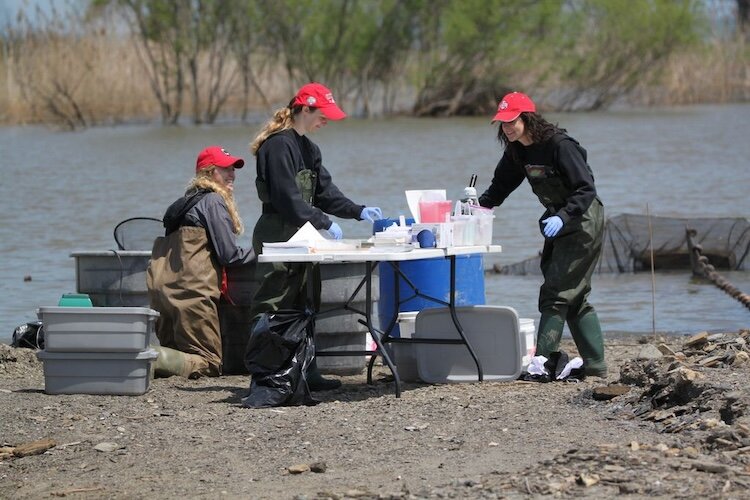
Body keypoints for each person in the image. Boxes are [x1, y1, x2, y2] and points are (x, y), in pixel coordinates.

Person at [247, 82, 383, 390]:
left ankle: (307, 371)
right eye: (323, 115)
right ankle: (265, 373)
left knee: (308, 300)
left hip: (304, 234)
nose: (326, 121)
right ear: (305, 109)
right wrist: (323, 222)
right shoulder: (277, 146)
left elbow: (325, 193)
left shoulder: (309, 148)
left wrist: (357, 210)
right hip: (277, 233)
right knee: (274, 302)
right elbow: (285, 198)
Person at [478, 92, 607, 378]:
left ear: (527, 118)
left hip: (582, 220)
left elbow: (586, 189)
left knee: (556, 294)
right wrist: (478, 207)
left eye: (512, 121)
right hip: (557, 220)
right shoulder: (517, 151)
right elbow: (500, 186)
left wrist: (564, 216)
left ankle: (542, 365)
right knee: (574, 296)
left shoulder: (560, 146)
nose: (507, 128)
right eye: (502, 124)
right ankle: (596, 366)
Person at [147, 145, 256, 378]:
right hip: (192, 295)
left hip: (163, 295)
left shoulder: (182, 204)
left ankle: (151, 357)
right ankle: (148, 355)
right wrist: (263, 250)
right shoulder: (214, 201)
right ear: (208, 173)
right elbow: (229, 255)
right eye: (225, 169)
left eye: (233, 169)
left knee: (179, 354)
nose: (232, 175)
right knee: (209, 363)